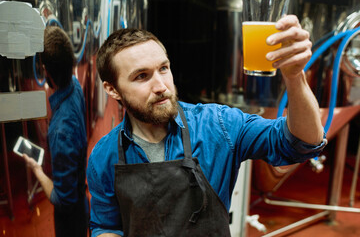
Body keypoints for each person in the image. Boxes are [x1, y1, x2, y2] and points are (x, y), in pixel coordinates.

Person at [87, 15, 327, 237]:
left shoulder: (216, 125)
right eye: (142, 76)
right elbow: (106, 225)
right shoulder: (104, 155)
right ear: (112, 89)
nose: (161, 85)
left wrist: (295, 77)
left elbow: (300, 143)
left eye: (163, 68)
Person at [22, 26, 88, 237]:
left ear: (45, 70)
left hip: (70, 221)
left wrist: (36, 170)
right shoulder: (76, 86)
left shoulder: (61, 131)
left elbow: (63, 201)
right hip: (81, 202)